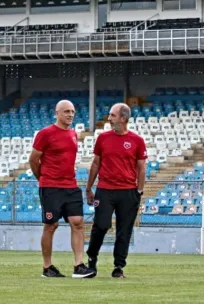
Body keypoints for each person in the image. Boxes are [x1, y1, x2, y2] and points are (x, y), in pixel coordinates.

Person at [29, 100, 95, 279]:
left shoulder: (73, 134)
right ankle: (47, 267)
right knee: (51, 225)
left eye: (72, 111)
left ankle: (79, 265)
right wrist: (43, 178)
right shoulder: (46, 133)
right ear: (57, 113)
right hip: (51, 187)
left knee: (78, 222)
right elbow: (34, 159)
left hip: (71, 185)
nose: (70, 114)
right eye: (66, 111)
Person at [85, 103, 147, 278]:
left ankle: (118, 267)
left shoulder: (137, 141)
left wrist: (139, 191)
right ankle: (92, 258)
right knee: (101, 225)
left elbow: (141, 168)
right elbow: (95, 163)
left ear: (123, 118)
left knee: (124, 230)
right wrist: (89, 188)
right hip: (105, 190)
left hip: (128, 192)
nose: (109, 118)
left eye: (112, 115)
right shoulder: (103, 138)